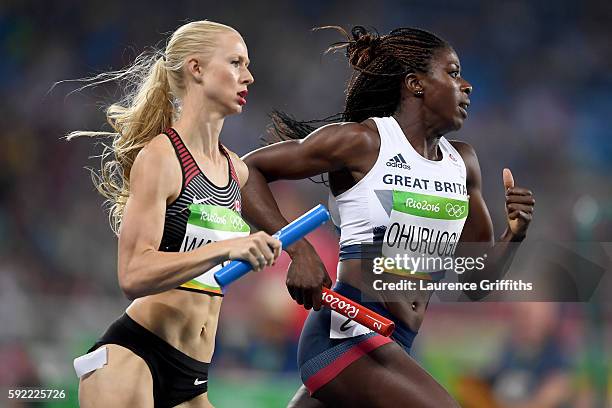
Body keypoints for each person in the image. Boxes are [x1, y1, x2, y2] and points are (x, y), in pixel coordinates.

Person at [241, 26, 535, 407]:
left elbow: (476, 281)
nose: (467, 85)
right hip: (345, 338)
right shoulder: (362, 143)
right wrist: (299, 250)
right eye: (452, 72)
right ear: (415, 84)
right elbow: (248, 173)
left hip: (396, 345)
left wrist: (515, 235)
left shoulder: (462, 163)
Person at [69, 20, 281, 408]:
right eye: (236, 62)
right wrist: (226, 249)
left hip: (193, 379)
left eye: (247, 65)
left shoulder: (237, 169)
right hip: (134, 359)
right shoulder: (161, 158)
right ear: (196, 68)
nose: (248, 76)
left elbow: (282, 171)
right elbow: (133, 274)